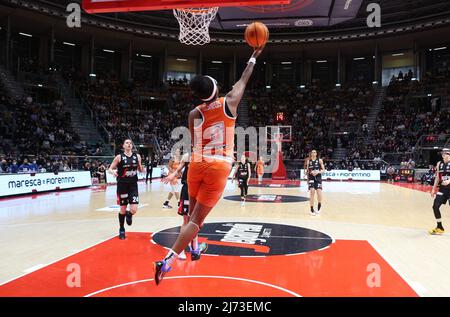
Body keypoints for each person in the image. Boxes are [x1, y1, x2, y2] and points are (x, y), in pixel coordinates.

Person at [153, 47, 264, 285]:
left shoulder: (193, 113)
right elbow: (244, 77)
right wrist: (254, 55)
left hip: (197, 163)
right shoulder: (230, 102)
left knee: (190, 217)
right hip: (219, 165)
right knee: (196, 220)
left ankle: (193, 249)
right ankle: (169, 259)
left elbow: (194, 144)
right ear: (216, 88)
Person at [163, 151, 207, 260]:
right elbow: (179, 169)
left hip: (200, 191)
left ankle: (194, 248)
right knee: (187, 221)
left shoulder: (207, 157)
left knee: (197, 221)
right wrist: (172, 174)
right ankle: (182, 250)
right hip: (188, 189)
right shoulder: (189, 156)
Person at [108, 139, 144, 240]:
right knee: (122, 209)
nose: (129, 144)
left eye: (130, 143)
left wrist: (142, 169)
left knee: (134, 209)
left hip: (133, 185)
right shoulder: (119, 157)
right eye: (127, 143)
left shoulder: (137, 156)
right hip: (122, 185)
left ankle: (130, 214)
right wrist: (113, 172)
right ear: (123, 146)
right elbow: (110, 169)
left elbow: (140, 169)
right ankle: (122, 229)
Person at [430, 148, 450, 235]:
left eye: (445, 153)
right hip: (442, 189)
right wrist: (433, 189)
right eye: (442, 153)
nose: (443, 155)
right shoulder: (439, 164)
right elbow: (438, 177)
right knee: (435, 206)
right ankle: (439, 227)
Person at [304, 149, 325, 215]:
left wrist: (318, 172)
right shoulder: (308, 161)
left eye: (314, 152)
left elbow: (323, 170)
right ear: (311, 154)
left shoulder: (320, 160)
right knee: (312, 192)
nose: (313, 153)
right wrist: (307, 178)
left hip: (318, 178)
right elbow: (307, 171)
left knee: (319, 193)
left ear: (316, 154)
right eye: (312, 152)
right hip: (311, 178)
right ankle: (311, 209)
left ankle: (319, 205)